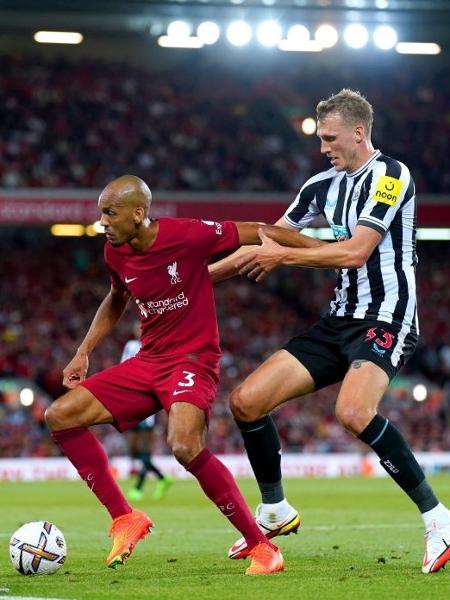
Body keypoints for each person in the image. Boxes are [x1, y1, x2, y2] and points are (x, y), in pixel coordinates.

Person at [209, 89, 450, 574]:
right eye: (321, 139)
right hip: (339, 320)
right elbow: (266, 238)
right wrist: (192, 281)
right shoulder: (320, 186)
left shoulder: (391, 176)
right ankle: (274, 510)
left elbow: (355, 252)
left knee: (354, 411)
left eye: (330, 138)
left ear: (359, 132)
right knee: (246, 401)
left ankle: (438, 518)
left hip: (387, 315)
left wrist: (286, 256)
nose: (323, 147)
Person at [45, 174, 318, 574]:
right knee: (60, 416)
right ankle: (125, 518)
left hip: (192, 359)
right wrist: (83, 352)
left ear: (138, 214)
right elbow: (116, 298)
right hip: (148, 361)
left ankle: (263, 548)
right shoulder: (114, 252)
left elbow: (259, 231)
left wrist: (327, 250)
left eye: (109, 213)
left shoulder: (187, 235)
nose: (102, 221)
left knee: (184, 444)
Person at [120, 322, 173, 502]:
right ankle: (160, 479)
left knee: (143, 448)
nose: (140, 331)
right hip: (130, 400)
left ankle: (140, 487)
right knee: (134, 449)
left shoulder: (155, 347)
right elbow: (122, 369)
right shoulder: (130, 346)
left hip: (146, 403)